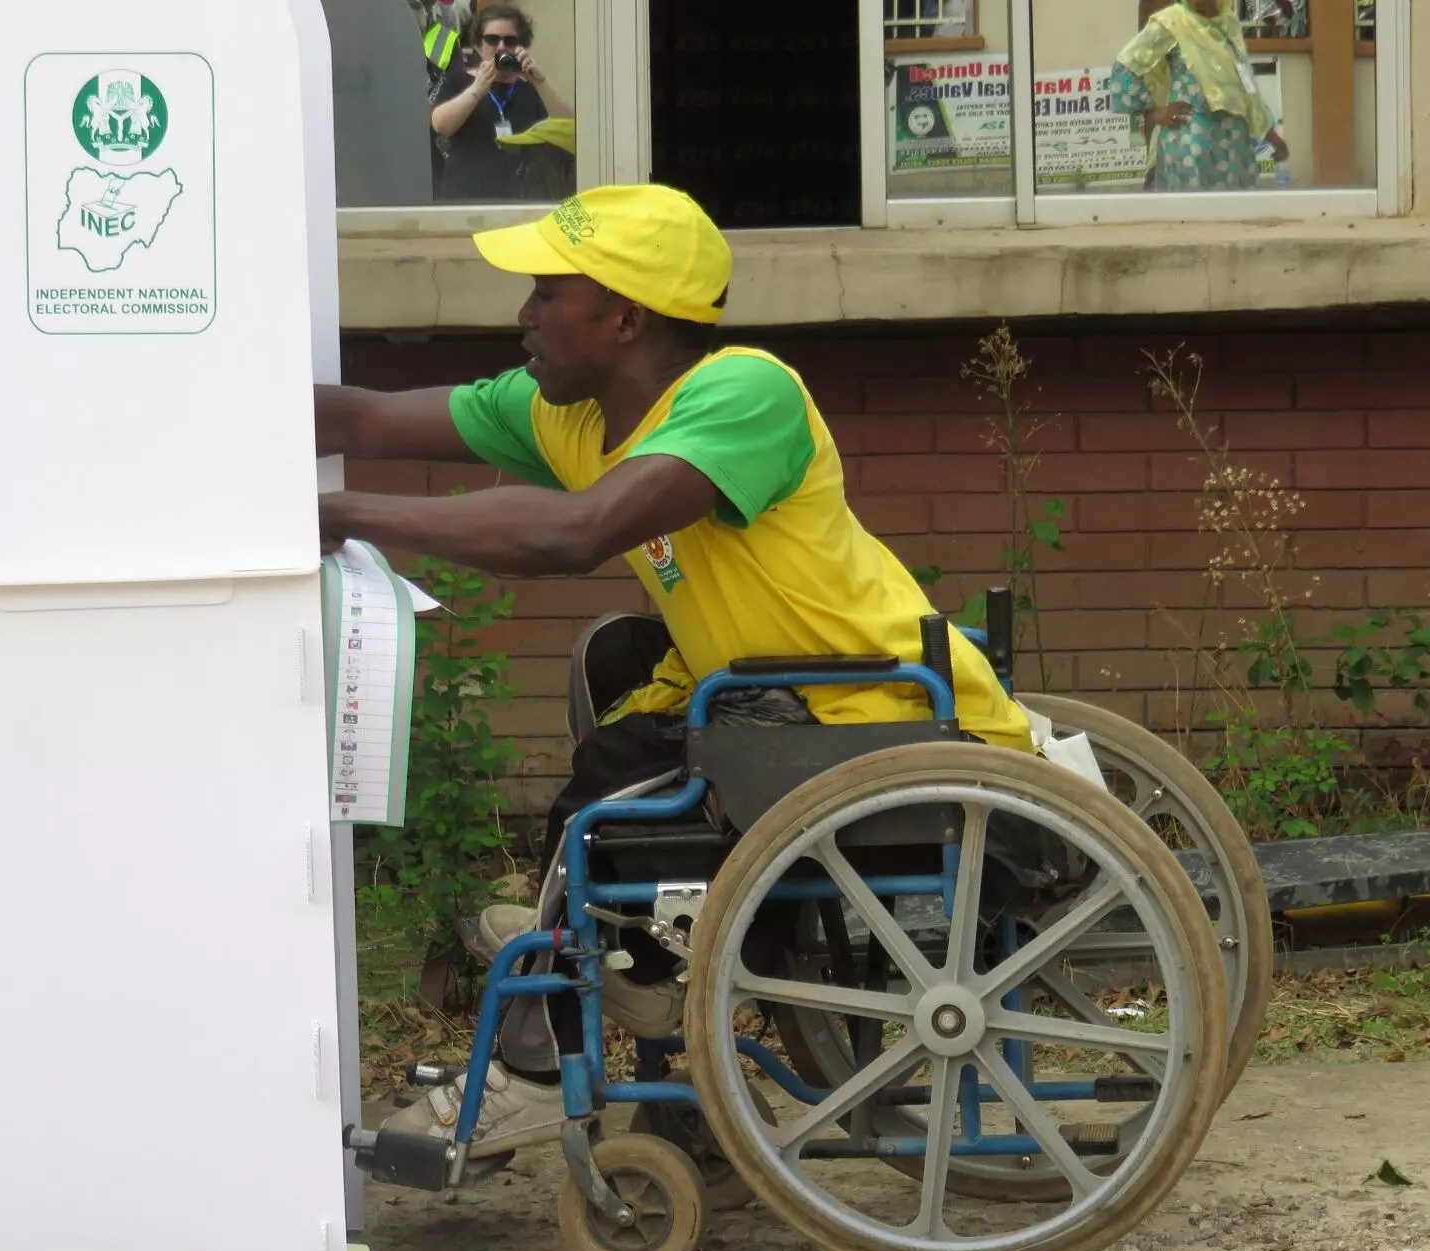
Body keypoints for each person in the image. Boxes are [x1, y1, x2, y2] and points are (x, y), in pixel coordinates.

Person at [314, 183, 1034, 1157]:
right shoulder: (565, 415)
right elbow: (362, 418)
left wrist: (347, 517)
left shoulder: (743, 393)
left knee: (613, 793)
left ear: (622, 314)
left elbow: (575, 533)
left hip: (863, 716)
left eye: (545, 293)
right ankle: (637, 965)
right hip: (765, 717)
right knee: (617, 693)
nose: (522, 315)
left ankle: (557, 1042)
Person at [1110, 0, 1290, 192]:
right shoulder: (1172, 21)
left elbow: (1245, 86)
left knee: (1236, 217)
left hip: (1234, 148)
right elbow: (1125, 67)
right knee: (1190, 216)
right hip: (1190, 144)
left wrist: (1271, 136)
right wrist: (1153, 114)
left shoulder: (1229, 23)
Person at [429, 4, 572, 202]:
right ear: (479, 44)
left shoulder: (531, 90)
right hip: (464, 199)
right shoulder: (460, 82)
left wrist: (540, 82)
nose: (501, 47)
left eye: (510, 41)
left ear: (522, 45)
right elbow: (440, 124)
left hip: (518, 200)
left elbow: (569, 128)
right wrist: (477, 90)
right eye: (492, 40)